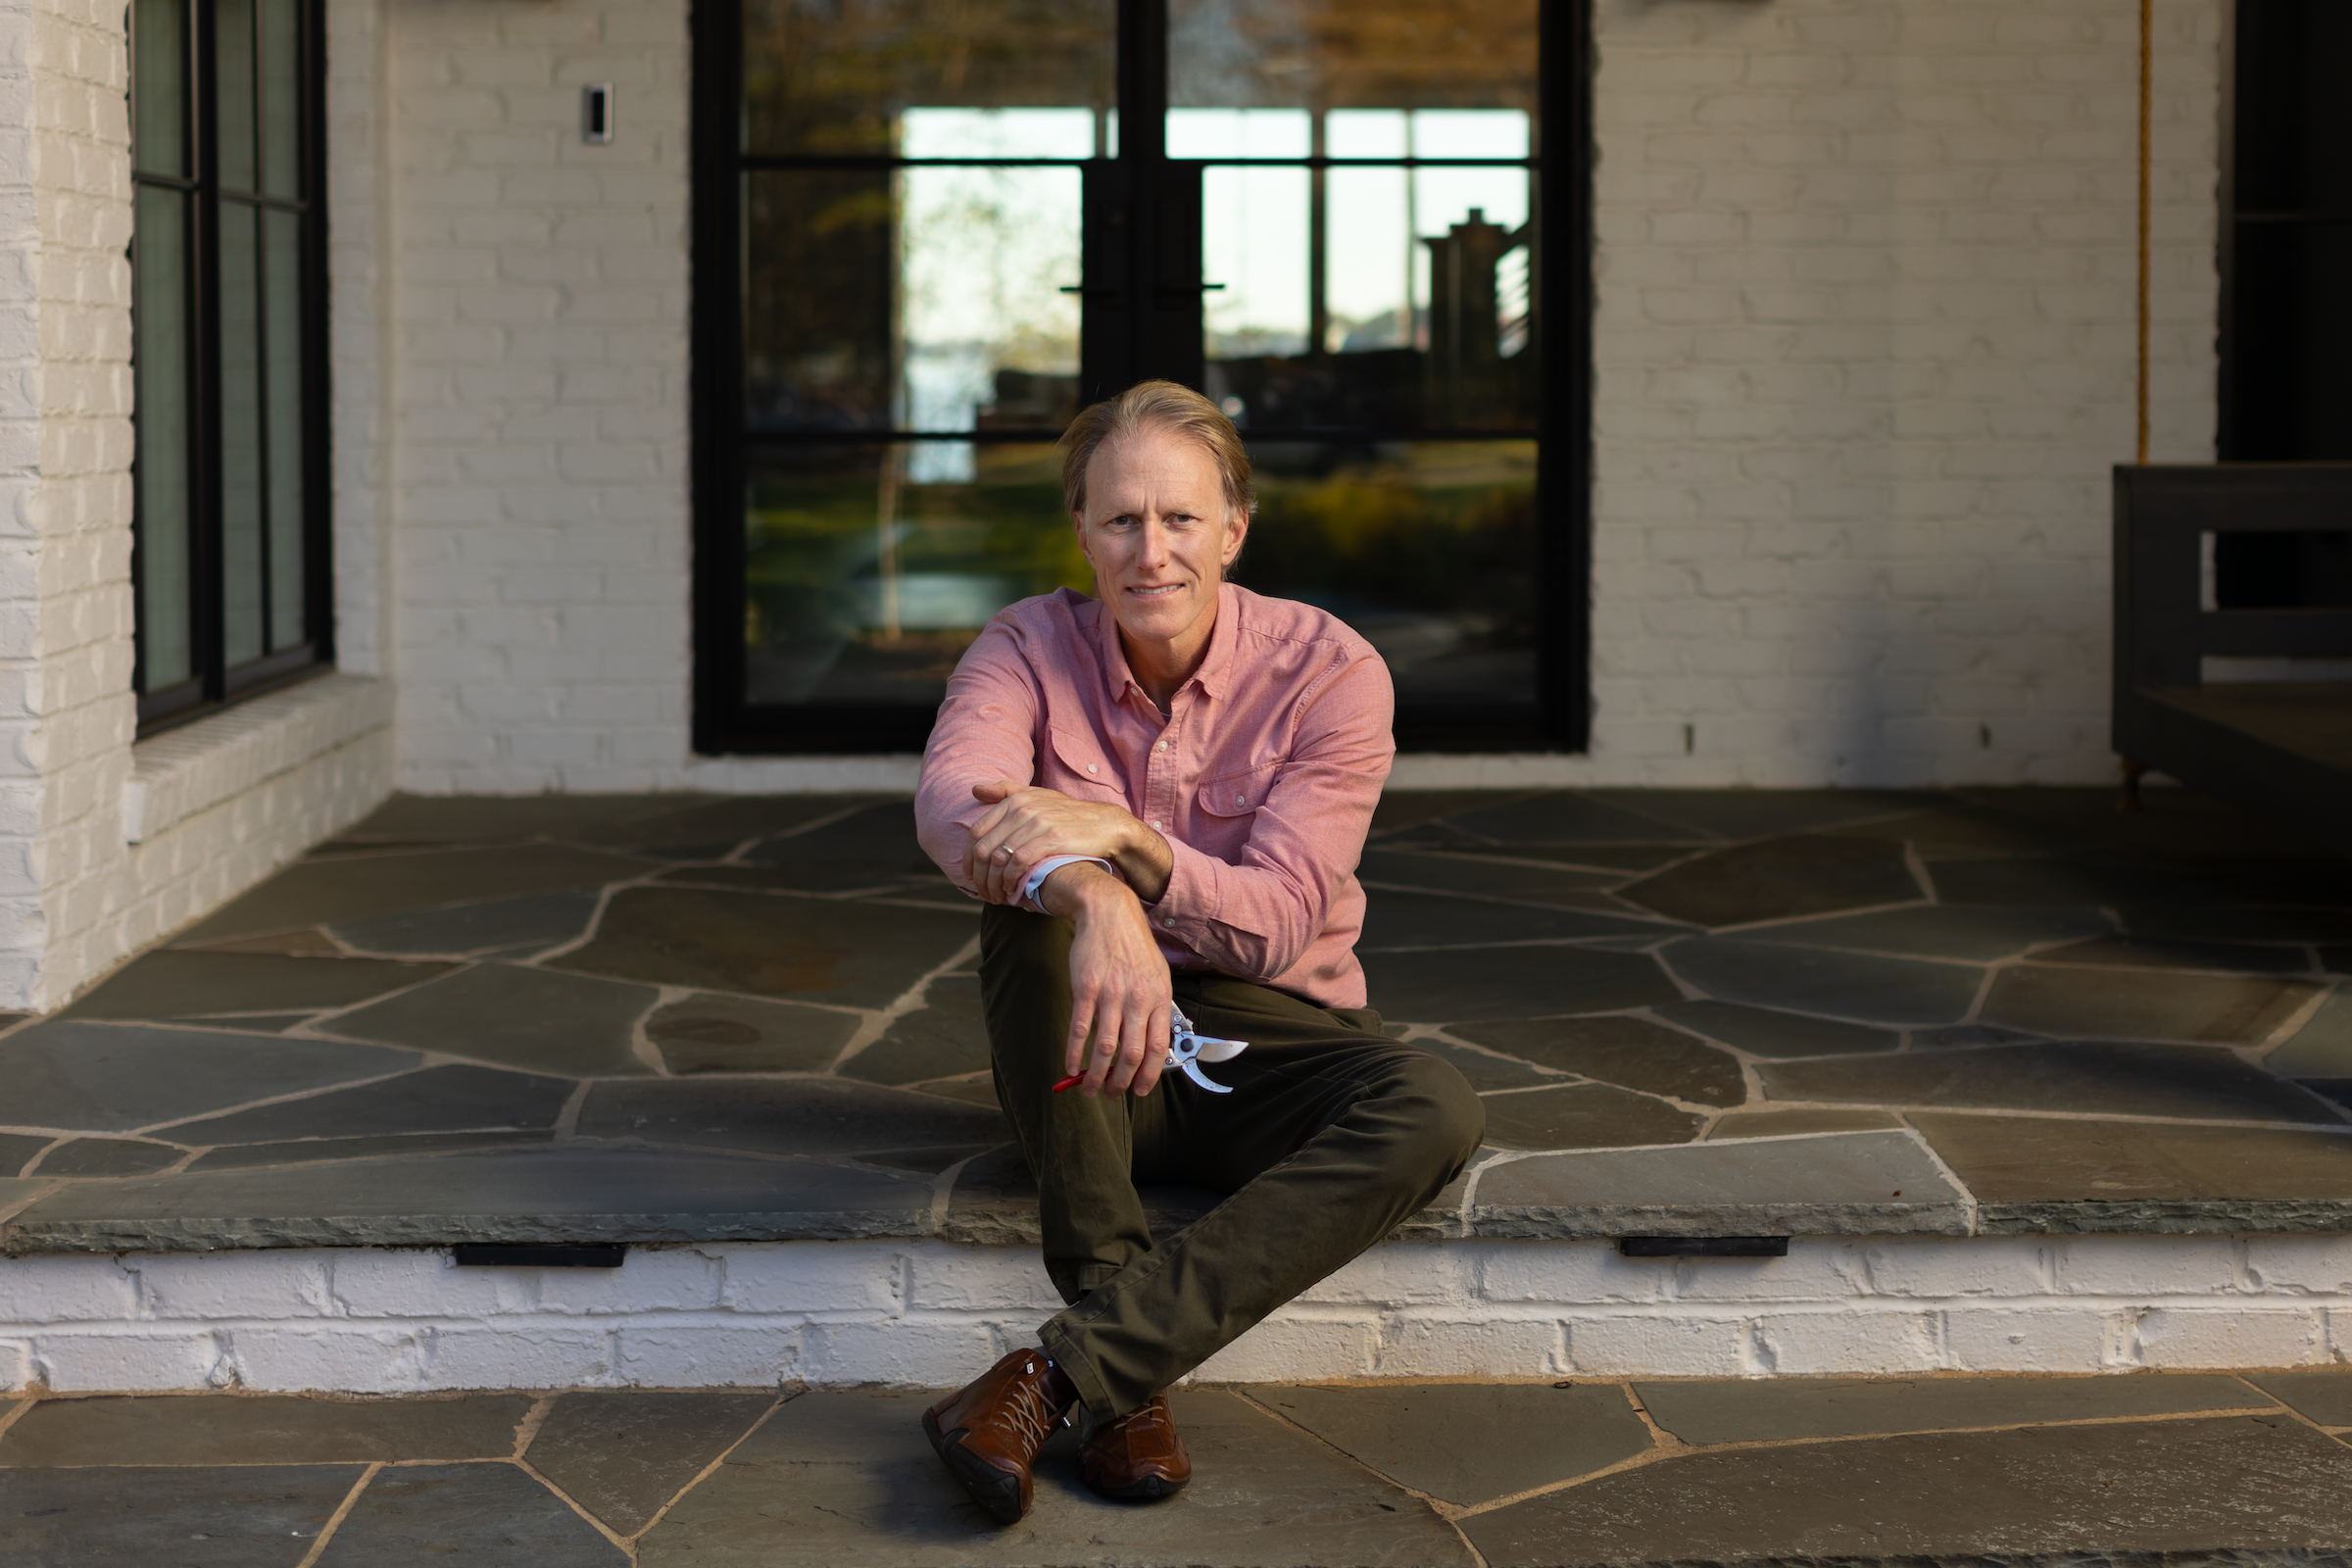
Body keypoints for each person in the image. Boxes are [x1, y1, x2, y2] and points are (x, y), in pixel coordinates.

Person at [912, 379, 1485, 1524]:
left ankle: (1070, 1375)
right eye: (1121, 519)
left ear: (1235, 526)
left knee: (1434, 1107)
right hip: (1095, 1060)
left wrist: (1127, 841)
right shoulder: (1026, 645)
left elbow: (1275, 920)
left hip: (1261, 1045)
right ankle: (1128, 1389)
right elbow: (951, 807)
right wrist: (1096, 898)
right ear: (1082, 530)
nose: (1151, 550)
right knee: (1032, 908)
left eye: (1181, 519)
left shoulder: (1330, 671)